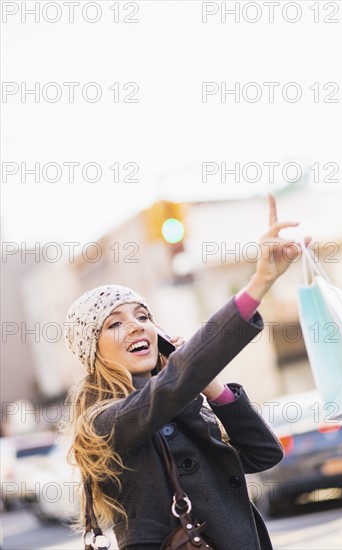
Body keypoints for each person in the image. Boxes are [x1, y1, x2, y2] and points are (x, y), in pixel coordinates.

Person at [63, 195, 311, 550]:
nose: (136, 327)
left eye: (143, 316)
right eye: (115, 324)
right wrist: (259, 283)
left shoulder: (180, 402)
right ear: (93, 351)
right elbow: (169, 388)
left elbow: (264, 454)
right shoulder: (104, 421)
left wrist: (210, 385)